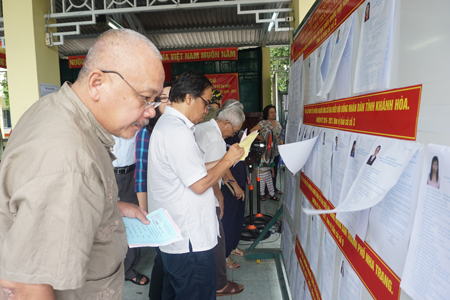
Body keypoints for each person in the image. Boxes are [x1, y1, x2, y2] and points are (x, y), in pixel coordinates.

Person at [0, 29, 164, 299]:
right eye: (145, 97)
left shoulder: (55, 109)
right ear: (97, 83)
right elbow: (25, 287)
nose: (151, 110)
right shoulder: (69, 161)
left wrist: (113, 206)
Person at [147, 71, 244, 300]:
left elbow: (195, 166)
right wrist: (228, 161)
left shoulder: (170, 126)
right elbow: (200, 184)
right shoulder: (177, 132)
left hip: (179, 237)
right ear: (189, 98)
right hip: (188, 241)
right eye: (206, 102)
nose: (208, 109)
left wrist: (226, 158)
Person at [195, 104, 245, 296]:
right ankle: (220, 284)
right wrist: (221, 197)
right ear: (225, 123)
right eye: (233, 130)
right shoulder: (215, 139)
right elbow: (214, 172)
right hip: (207, 194)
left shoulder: (202, 128)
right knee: (217, 240)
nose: (232, 134)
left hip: (197, 194)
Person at [134, 81, 172, 300]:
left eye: (171, 97)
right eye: (164, 98)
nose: (169, 102)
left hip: (174, 202)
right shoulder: (146, 132)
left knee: (167, 257)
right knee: (164, 257)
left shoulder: (178, 129)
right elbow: (141, 173)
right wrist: (144, 210)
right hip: (157, 204)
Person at [112, 135, 149, 286]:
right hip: (108, 172)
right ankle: (109, 269)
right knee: (106, 221)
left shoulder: (138, 125)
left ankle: (128, 270)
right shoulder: (104, 121)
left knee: (134, 221)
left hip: (132, 175)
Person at [219, 100, 248, 270]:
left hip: (239, 176)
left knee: (238, 215)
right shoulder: (219, 136)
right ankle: (224, 253)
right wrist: (233, 184)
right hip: (228, 183)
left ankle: (233, 245)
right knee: (227, 218)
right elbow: (220, 164)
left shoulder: (234, 134)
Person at [250, 105, 284, 195]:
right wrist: (262, 139)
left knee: (274, 170)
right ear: (267, 114)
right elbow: (252, 131)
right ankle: (264, 191)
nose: (274, 114)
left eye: (274, 112)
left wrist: (281, 141)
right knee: (265, 170)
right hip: (266, 151)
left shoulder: (277, 123)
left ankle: (273, 188)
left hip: (276, 151)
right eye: (271, 112)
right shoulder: (263, 123)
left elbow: (279, 135)